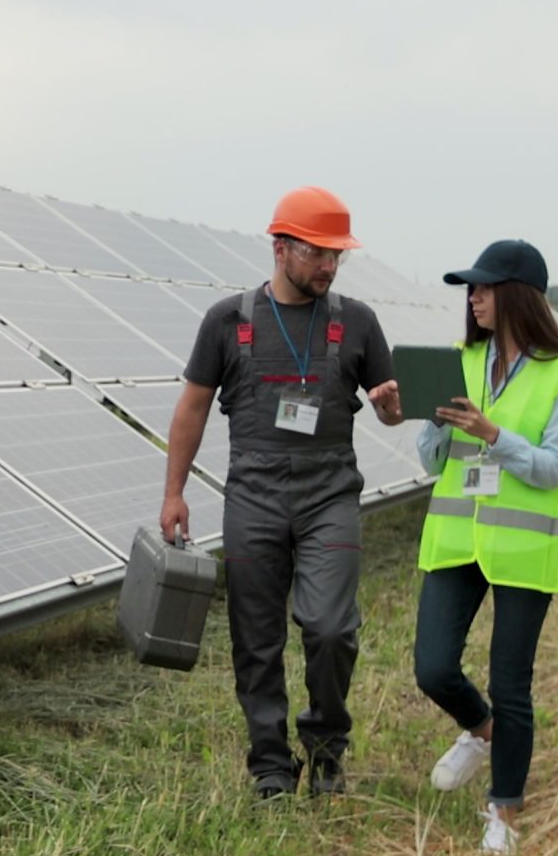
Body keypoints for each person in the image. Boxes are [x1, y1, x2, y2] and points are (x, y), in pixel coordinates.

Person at [158, 186, 405, 799]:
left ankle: (325, 749)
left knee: (330, 628)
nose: (328, 265)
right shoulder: (228, 321)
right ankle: (270, 764)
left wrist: (391, 408)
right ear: (280, 248)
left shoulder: (358, 322)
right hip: (253, 494)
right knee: (256, 638)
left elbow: (390, 410)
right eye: (317, 252)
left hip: (330, 494)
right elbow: (192, 407)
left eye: (336, 255)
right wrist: (174, 492)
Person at [413, 238, 558, 856]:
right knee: (433, 668)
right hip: (457, 537)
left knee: (511, 681)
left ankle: (504, 809)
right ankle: (480, 729)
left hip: (523, 545)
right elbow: (431, 460)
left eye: (485, 288)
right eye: (471, 289)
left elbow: (555, 467)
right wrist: (425, 419)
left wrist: (493, 434)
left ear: (518, 296)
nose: (473, 298)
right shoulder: (461, 359)